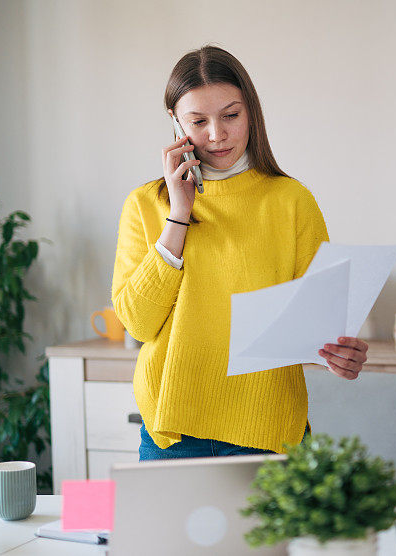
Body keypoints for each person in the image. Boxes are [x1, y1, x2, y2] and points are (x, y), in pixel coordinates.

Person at [111, 45, 369, 461]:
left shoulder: (292, 201)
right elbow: (139, 324)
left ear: (251, 112)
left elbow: (316, 324)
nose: (217, 134)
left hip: (270, 429)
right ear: (175, 123)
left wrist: (340, 354)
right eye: (198, 121)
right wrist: (179, 213)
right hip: (172, 432)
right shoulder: (145, 204)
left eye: (230, 115)